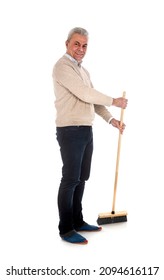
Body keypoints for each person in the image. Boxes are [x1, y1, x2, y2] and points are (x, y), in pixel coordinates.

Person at [52, 27, 128, 245]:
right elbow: (85, 93)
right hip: (69, 130)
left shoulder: (83, 71)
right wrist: (114, 100)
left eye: (85, 45)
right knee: (70, 179)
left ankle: (77, 220)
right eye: (76, 44)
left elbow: (92, 100)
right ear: (67, 44)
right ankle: (66, 229)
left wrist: (111, 120)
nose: (81, 49)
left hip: (86, 129)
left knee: (82, 178)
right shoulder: (62, 67)